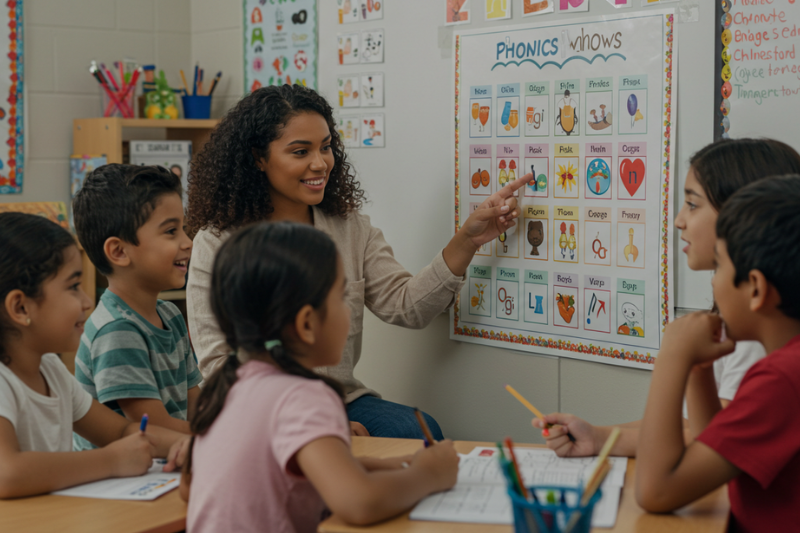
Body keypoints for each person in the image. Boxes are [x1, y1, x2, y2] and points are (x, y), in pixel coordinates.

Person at [186, 84, 531, 438]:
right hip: (257, 408)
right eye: (300, 151)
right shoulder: (215, 243)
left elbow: (408, 306)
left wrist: (468, 240)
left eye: (325, 147)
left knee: (418, 431)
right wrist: (311, 424)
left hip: (340, 398)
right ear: (259, 158)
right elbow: (217, 365)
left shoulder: (349, 226)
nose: (320, 163)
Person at [183, 222, 459, 531]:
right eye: (341, 296)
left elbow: (190, 486)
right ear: (306, 325)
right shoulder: (303, 396)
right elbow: (359, 502)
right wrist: (428, 475)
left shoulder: (227, 388)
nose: (349, 308)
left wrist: (390, 465)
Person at [532, 139, 800, 457]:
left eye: (693, 204)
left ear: (743, 215)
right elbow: (692, 425)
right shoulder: (744, 317)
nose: (679, 220)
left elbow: (717, 441)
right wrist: (598, 436)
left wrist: (674, 359)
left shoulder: (758, 334)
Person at [636, 175, 800, 532]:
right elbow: (716, 448)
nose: (713, 281)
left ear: (755, 287)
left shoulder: (782, 380)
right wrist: (698, 368)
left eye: (720, 265)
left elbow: (655, 490)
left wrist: (672, 357)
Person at [0, 213, 188, 498]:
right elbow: (7, 474)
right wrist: (111, 461)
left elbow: (122, 431)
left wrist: (189, 444)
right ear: (21, 308)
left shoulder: (50, 370)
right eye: (73, 287)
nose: (88, 302)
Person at [72, 164, 203, 450]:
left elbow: (196, 406)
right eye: (171, 231)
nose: (188, 242)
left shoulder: (169, 314)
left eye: (183, 229)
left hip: (167, 462)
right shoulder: (117, 330)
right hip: (117, 484)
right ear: (119, 252)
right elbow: (153, 429)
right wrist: (224, 442)